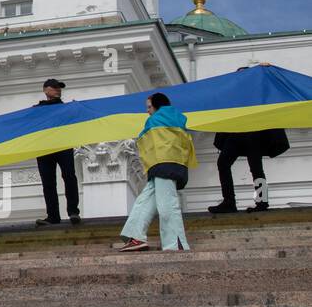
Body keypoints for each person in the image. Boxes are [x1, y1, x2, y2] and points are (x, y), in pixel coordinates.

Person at [118, 92, 197, 252]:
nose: (147, 111)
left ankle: (175, 243)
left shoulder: (155, 120)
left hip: (161, 164)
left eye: (149, 107)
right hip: (174, 165)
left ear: (157, 106)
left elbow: (144, 140)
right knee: (145, 199)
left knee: (167, 204)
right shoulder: (179, 120)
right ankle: (135, 236)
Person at [209, 67, 289, 214]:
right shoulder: (235, 93)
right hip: (236, 133)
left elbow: (271, 86)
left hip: (254, 133)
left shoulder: (257, 90)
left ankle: (261, 202)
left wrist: (266, 69)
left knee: (255, 167)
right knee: (223, 163)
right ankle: (229, 202)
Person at [31, 78, 81, 227]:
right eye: (54, 87)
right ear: (46, 90)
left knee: (69, 176)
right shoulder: (36, 110)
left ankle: (73, 211)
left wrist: (76, 109)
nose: (58, 90)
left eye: (59, 88)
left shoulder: (66, 108)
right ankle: (53, 216)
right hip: (44, 148)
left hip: (63, 146)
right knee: (48, 182)